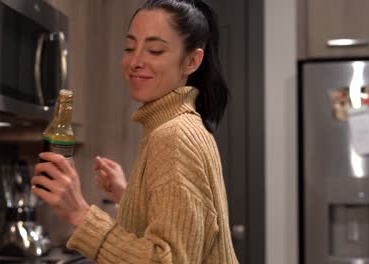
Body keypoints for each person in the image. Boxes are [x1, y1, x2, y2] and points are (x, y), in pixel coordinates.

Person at [31, 0, 238, 263]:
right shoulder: (174, 127)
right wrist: (128, 196)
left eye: (155, 50)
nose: (135, 61)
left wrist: (79, 213)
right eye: (130, 47)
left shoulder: (174, 137)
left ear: (191, 62)